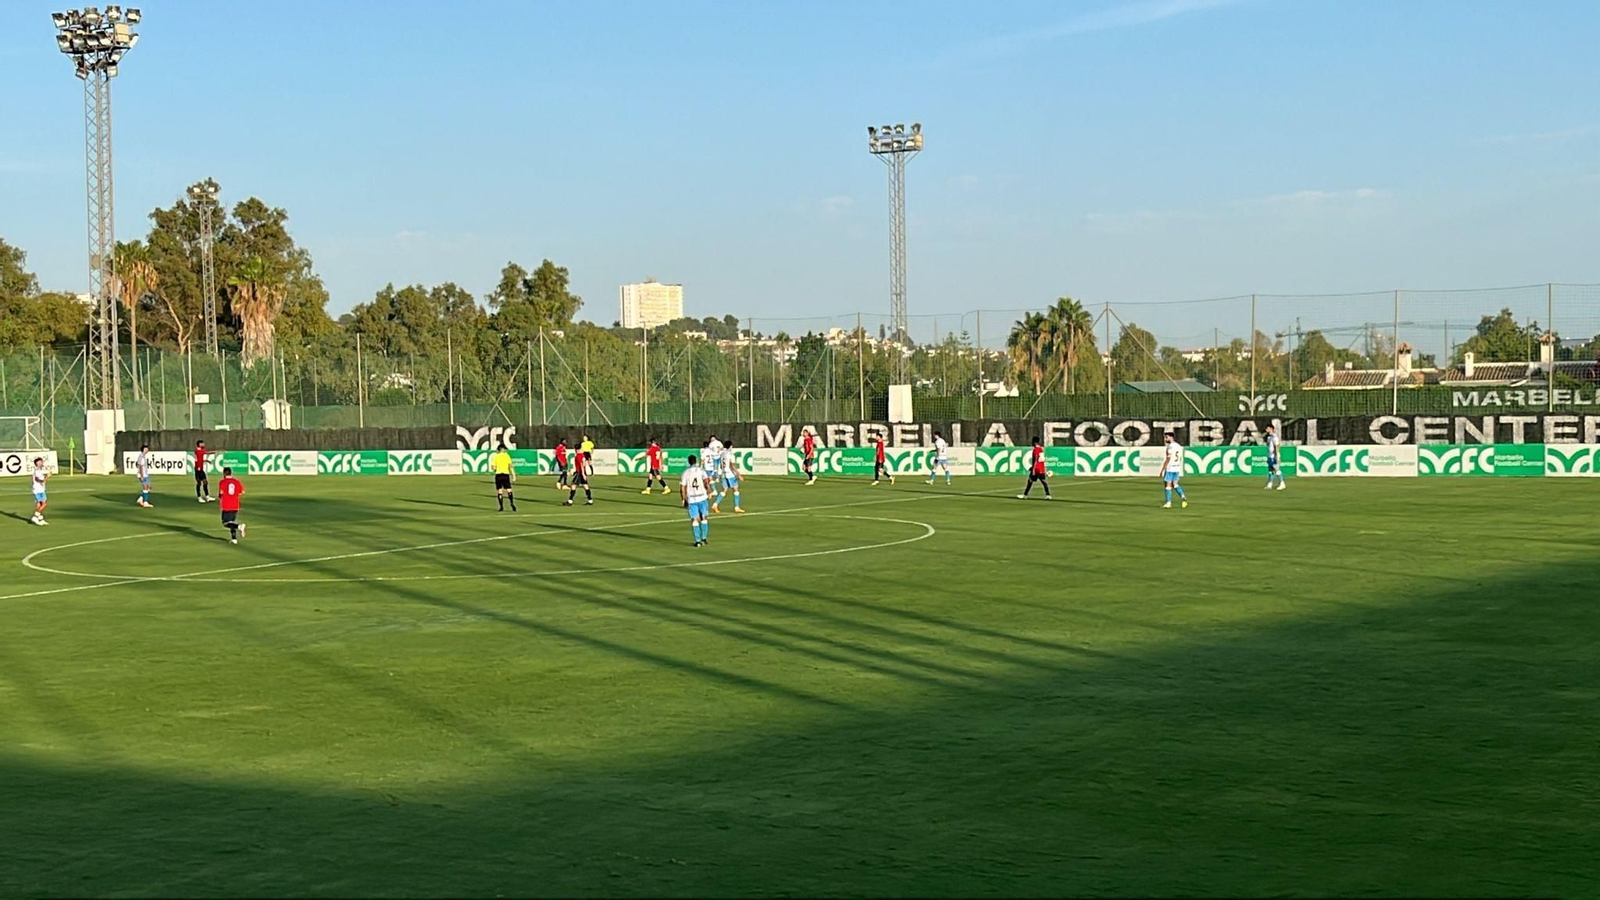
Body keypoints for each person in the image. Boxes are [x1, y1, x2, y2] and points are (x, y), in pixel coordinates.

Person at [681, 453, 712, 547]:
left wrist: (683, 499)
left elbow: (682, 487)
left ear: (689, 462)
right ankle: (704, 538)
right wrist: (709, 491)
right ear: (696, 461)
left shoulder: (685, 472)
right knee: (704, 517)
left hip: (692, 499)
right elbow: (706, 482)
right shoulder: (701, 470)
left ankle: (698, 541)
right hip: (702, 497)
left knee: (694, 519)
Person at [713, 441, 744, 514]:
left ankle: (715, 504)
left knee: (724, 490)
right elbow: (732, 465)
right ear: (730, 446)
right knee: (736, 490)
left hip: (724, 474)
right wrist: (739, 474)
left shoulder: (722, 453)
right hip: (730, 474)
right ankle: (737, 507)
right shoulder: (730, 454)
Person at [218, 466, 247, 544]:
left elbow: (221, 493)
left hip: (227, 505)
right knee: (231, 522)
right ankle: (234, 539)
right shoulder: (236, 481)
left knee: (225, 523)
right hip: (235, 505)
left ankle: (239, 527)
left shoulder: (222, 482)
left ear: (224, 473)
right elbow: (242, 492)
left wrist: (220, 497)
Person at [1161, 430, 1188, 509]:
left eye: (1166, 437)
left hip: (1170, 467)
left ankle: (1168, 503)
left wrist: (1163, 469)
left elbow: (1168, 458)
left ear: (1171, 437)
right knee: (1175, 484)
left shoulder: (1170, 446)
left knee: (1168, 485)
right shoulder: (1178, 446)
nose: (1165, 439)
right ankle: (1183, 496)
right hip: (1176, 467)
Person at [491, 442, 517, 511]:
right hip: (505, 474)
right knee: (509, 490)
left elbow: (493, 467)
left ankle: (501, 507)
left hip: (498, 475)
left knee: (500, 491)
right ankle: (511, 503)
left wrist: (495, 469)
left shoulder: (496, 456)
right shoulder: (506, 456)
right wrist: (514, 475)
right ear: (502, 449)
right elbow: (510, 466)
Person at [1263, 424, 1286, 491]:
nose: (1266, 430)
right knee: (1270, 470)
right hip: (1270, 456)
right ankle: (1270, 484)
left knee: (1276, 469)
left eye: (1267, 428)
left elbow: (1277, 446)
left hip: (1274, 456)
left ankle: (1282, 483)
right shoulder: (1269, 437)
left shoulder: (1275, 437)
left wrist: (1277, 456)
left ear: (1271, 429)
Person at [29, 456, 49, 526]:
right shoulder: (37, 470)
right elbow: (40, 480)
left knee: (39, 504)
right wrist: (47, 477)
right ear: (37, 463)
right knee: (44, 503)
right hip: (38, 490)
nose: (42, 463)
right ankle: (35, 516)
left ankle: (40, 519)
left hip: (40, 489)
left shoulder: (40, 470)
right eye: (40, 462)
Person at [135, 443, 154, 508]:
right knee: (145, 487)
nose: (147, 450)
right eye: (146, 449)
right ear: (143, 449)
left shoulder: (143, 456)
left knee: (148, 487)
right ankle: (145, 502)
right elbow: (140, 466)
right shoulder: (141, 456)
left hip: (145, 474)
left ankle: (141, 499)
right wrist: (142, 476)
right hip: (143, 474)